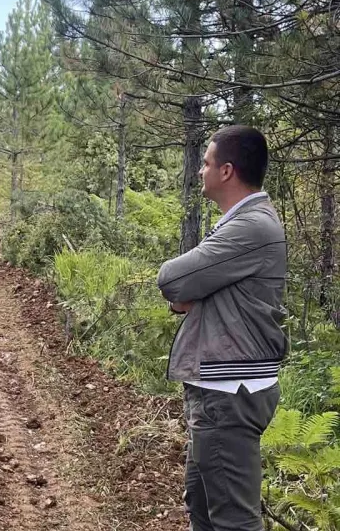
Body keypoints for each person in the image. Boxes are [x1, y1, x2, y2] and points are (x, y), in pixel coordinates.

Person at [157, 125, 287, 531]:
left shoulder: (251, 227)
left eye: (207, 163)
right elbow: (191, 289)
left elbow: (172, 279)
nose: (200, 171)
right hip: (221, 390)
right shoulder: (243, 222)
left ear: (227, 171)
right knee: (202, 505)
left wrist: (191, 293)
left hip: (230, 392)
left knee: (233, 520)